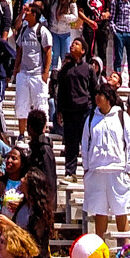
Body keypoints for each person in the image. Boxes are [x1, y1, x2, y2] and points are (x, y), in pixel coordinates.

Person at [81, 83, 130, 242]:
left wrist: (129, 169)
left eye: (100, 95)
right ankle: (100, 249)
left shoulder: (122, 116)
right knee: (100, 212)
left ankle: (124, 249)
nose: (97, 98)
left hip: (118, 171)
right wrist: (86, 167)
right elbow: (85, 143)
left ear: (108, 98)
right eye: (96, 95)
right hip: (97, 171)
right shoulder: (91, 118)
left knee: (121, 211)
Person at [54, 37, 93, 181]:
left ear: (83, 51)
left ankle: (89, 171)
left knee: (87, 144)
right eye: (72, 43)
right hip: (69, 112)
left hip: (85, 111)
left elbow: (93, 90)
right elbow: (61, 91)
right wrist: (59, 110)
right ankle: (70, 172)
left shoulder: (88, 69)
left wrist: (93, 110)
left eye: (77, 44)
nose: (72, 45)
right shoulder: (65, 69)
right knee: (70, 144)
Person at [12, 0, 52, 125]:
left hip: (37, 74)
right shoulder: (24, 30)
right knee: (21, 104)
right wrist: (16, 68)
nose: (26, 13)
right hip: (24, 73)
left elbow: (48, 52)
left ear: (34, 14)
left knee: (40, 104)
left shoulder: (43, 31)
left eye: (28, 11)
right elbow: (19, 50)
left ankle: (42, 132)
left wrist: (45, 73)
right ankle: (22, 134)